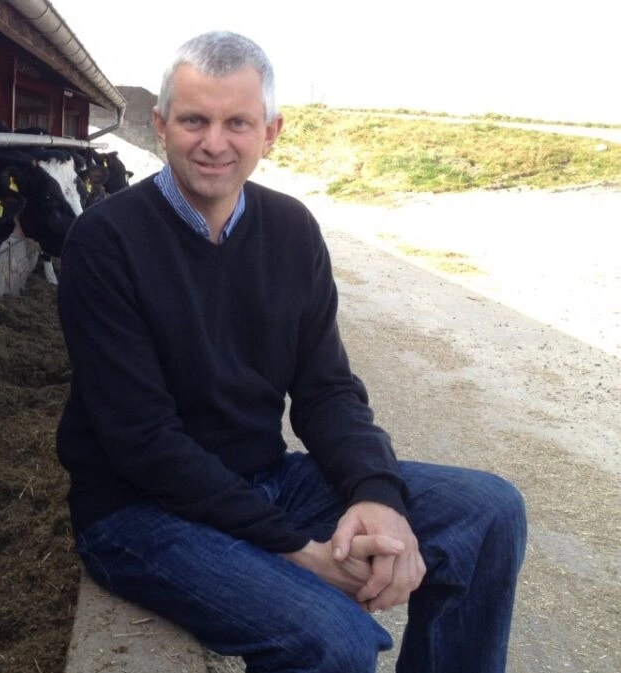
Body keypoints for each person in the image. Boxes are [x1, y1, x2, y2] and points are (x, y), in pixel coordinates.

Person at [55, 30, 527, 673]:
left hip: (266, 480)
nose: (214, 142)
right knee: (333, 638)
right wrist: (298, 551)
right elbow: (143, 441)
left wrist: (375, 497)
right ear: (161, 125)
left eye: (237, 122)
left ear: (270, 132)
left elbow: (326, 389)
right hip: (139, 513)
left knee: (489, 511)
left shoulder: (292, 230)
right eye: (194, 120)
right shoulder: (105, 242)